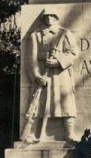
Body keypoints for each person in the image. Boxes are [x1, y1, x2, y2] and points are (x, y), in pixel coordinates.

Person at [23, 9, 77, 144]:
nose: (49, 19)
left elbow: (73, 53)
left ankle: (69, 134)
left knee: (66, 103)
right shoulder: (36, 35)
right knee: (37, 104)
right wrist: (36, 76)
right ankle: (30, 133)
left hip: (60, 74)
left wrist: (58, 61)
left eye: (52, 16)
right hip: (42, 74)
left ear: (56, 18)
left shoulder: (64, 33)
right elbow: (31, 58)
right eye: (46, 16)